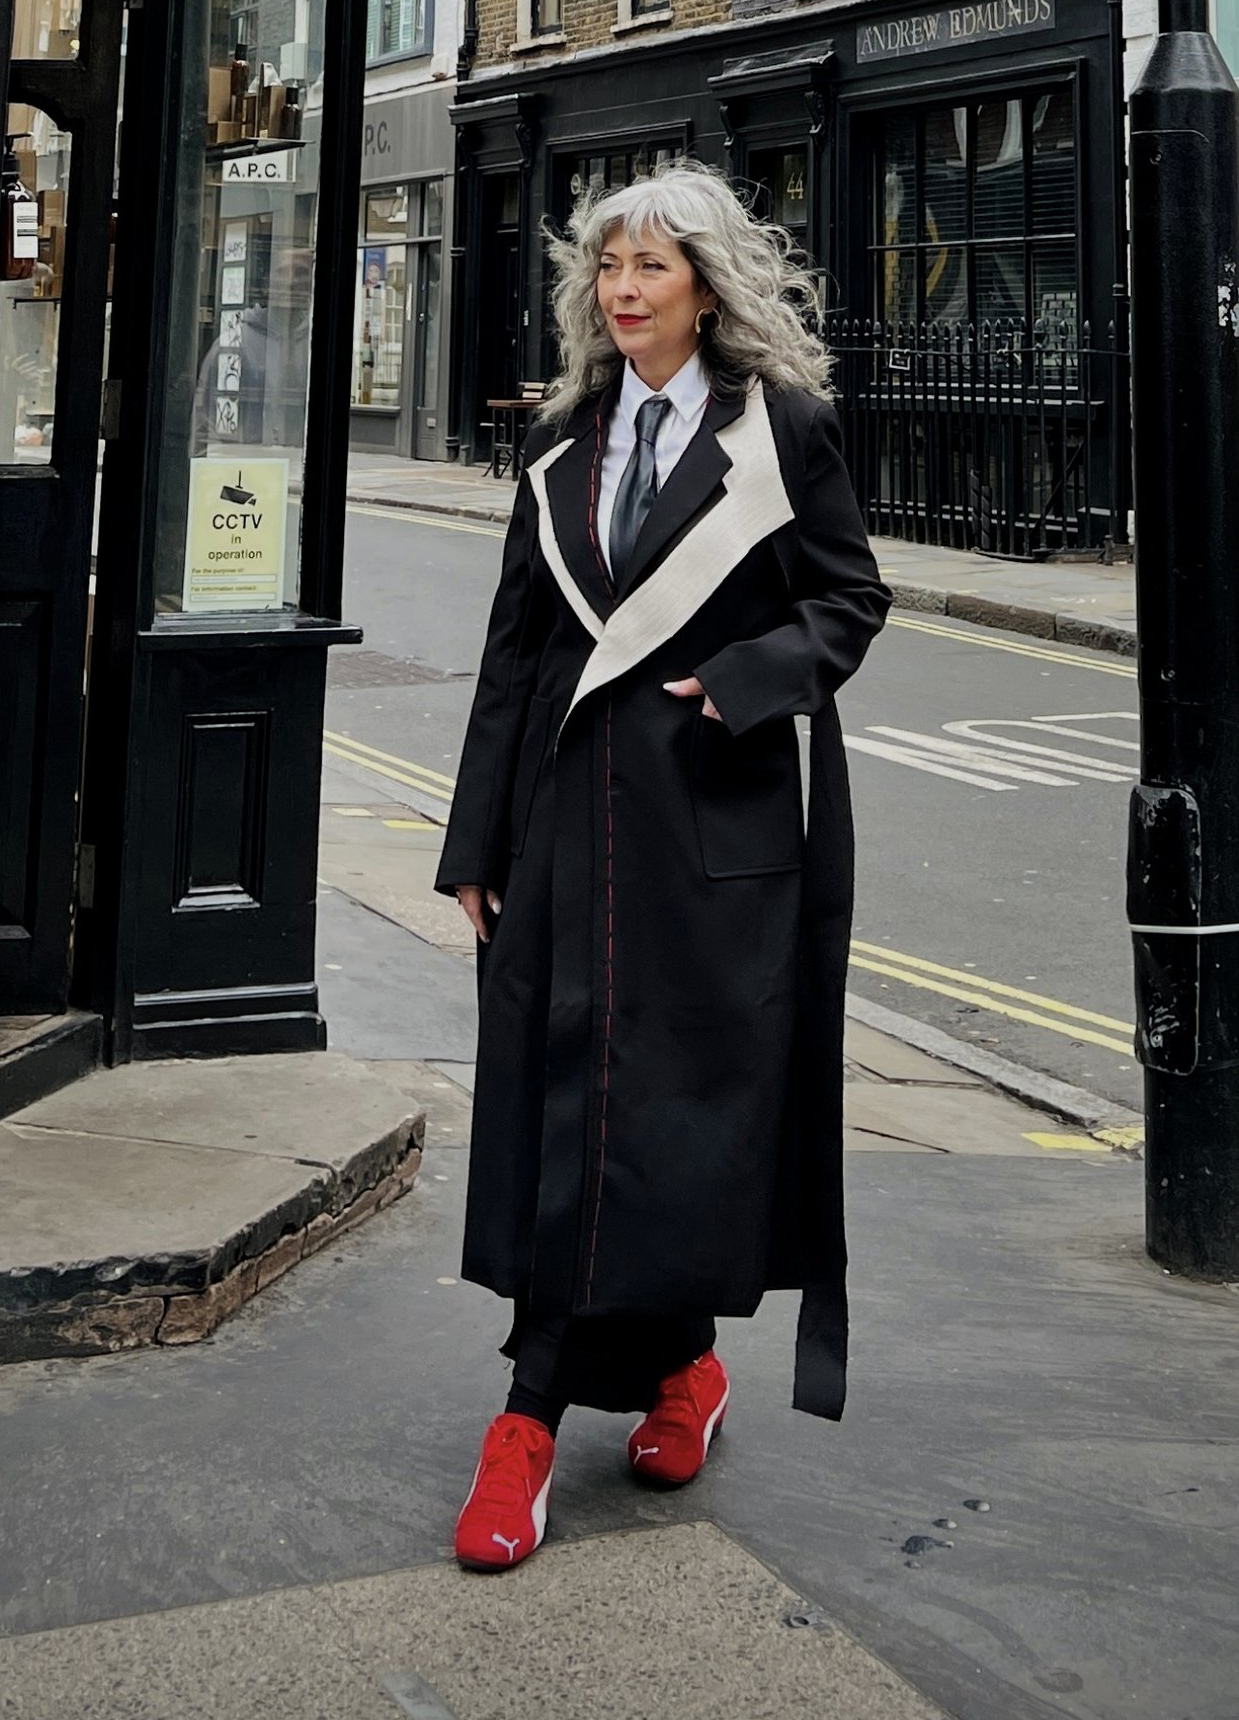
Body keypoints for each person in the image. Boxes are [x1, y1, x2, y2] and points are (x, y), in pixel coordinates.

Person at [436, 160, 890, 1573]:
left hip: (710, 838)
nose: (623, 293)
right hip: (570, 829)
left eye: (650, 269)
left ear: (706, 285)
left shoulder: (782, 432)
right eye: (607, 271)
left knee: (673, 1121)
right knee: (567, 1105)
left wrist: (748, 678)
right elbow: (518, 652)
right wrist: (475, 842)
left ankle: (611, 1393)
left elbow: (847, 599)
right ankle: (581, 1400)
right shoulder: (565, 443)